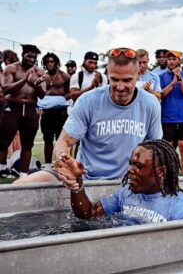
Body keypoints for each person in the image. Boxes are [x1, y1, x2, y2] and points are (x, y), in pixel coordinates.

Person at [16, 47, 162, 186]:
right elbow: (64, 143)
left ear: (138, 75)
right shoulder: (88, 100)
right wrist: (64, 164)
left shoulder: (150, 103)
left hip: (129, 183)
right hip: (85, 178)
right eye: (114, 79)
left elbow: (155, 149)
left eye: (126, 80)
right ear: (107, 75)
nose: (119, 86)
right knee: (20, 186)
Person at [57, 139, 183, 222]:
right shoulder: (125, 193)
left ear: (160, 171)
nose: (130, 169)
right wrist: (77, 184)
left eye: (139, 166)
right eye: (131, 163)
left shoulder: (181, 210)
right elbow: (89, 215)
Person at [0, 44, 45, 176]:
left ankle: (23, 174)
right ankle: (1, 167)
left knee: (27, 144)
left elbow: (43, 94)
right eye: (29, 56)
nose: (31, 59)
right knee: (3, 141)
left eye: (34, 57)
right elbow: (6, 89)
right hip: (13, 107)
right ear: (23, 55)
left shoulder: (39, 72)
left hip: (31, 108)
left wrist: (35, 82)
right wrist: (24, 80)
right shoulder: (11, 68)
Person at [157, 50, 183, 176]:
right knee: (168, 147)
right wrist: (172, 84)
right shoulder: (161, 77)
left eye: (174, 59)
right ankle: (170, 175)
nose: (171, 62)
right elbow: (161, 95)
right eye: (169, 59)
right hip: (167, 117)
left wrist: (180, 78)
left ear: (179, 61)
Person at [37, 53, 71, 167]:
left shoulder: (64, 76)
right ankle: (47, 166)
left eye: (51, 61)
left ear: (56, 63)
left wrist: (59, 100)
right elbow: (38, 92)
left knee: (61, 140)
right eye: (47, 62)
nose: (49, 64)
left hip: (60, 113)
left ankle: (62, 165)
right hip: (47, 113)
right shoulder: (43, 77)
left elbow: (69, 93)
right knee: (47, 139)